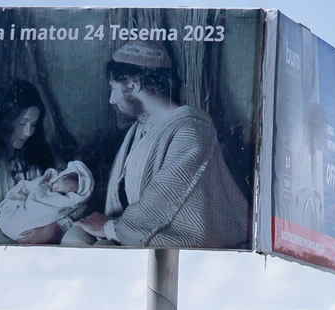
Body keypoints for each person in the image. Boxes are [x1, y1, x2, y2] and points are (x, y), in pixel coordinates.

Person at [70, 40, 249, 249]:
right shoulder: (139, 128)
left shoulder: (191, 128)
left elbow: (163, 197)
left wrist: (109, 229)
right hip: (135, 231)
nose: (111, 100)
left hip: (180, 237)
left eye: (114, 89)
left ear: (133, 85)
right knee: (74, 237)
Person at [0, 79, 64, 245]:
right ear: (5, 119)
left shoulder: (40, 155)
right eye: (22, 123)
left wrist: (53, 230)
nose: (28, 132)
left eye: (33, 125)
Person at [0, 160, 92, 241]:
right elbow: (28, 188)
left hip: (34, 228)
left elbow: (77, 207)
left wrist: (56, 228)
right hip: (9, 221)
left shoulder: (49, 156)